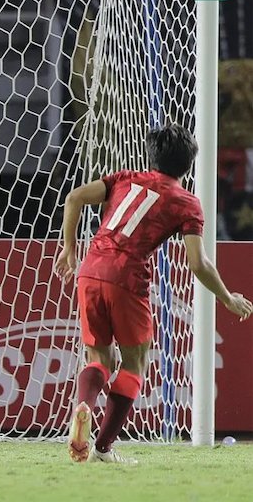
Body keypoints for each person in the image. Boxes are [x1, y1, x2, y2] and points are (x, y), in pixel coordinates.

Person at [55, 123, 253, 464]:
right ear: (189, 163)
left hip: (90, 270)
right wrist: (226, 297)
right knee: (134, 364)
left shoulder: (123, 179)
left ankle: (84, 405)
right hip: (127, 280)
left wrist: (69, 249)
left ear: (152, 155)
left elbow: (73, 197)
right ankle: (102, 448)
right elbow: (198, 263)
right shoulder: (187, 203)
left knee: (100, 359)